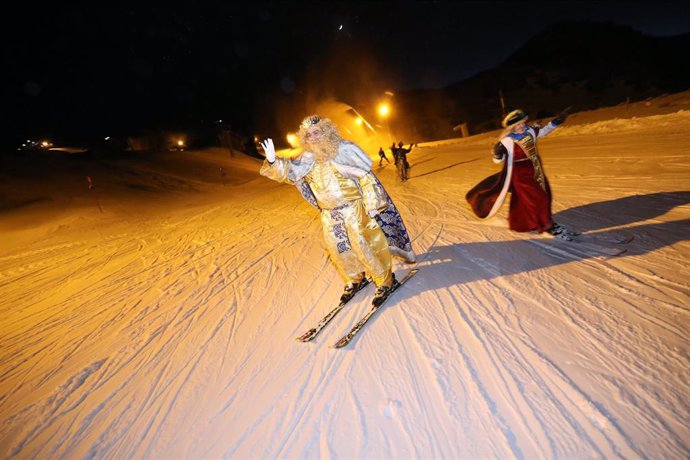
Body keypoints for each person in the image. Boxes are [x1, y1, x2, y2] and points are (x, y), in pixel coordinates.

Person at [259, 115, 415, 306]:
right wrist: (275, 161)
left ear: (327, 131)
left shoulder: (344, 150)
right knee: (339, 249)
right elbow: (290, 172)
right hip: (330, 213)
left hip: (353, 209)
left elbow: (366, 178)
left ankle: (385, 281)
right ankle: (355, 279)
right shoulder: (306, 159)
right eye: (309, 135)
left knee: (366, 245)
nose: (313, 137)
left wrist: (373, 204)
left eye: (317, 132)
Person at [465, 107, 577, 239]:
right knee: (539, 197)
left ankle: (534, 222)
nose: (521, 126)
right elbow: (498, 161)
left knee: (544, 195)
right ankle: (547, 225)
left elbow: (543, 131)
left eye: (523, 123)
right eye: (517, 124)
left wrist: (557, 120)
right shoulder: (507, 140)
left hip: (536, 167)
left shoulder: (530, 131)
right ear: (511, 127)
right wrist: (497, 153)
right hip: (520, 172)